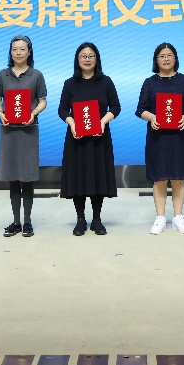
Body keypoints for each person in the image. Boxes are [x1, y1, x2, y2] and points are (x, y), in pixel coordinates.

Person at [135, 43, 184, 235]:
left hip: (179, 136)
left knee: (179, 176)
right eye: (162, 56)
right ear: (156, 60)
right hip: (157, 137)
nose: (166, 59)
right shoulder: (149, 82)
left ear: (175, 58)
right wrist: (152, 117)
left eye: (169, 55)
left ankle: (178, 217)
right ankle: (160, 218)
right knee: (159, 177)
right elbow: (140, 110)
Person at [58, 42, 121, 236]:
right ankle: (80, 219)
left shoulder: (106, 81)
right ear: (77, 59)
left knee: (97, 176)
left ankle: (96, 219)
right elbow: (62, 109)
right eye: (83, 56)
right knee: (78, 177)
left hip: (99, 137)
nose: (87, 59)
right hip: (76, 138)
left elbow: (116, 107)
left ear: (97, 59)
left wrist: (103, 121)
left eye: (91, 56)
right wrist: (72, 123)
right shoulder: (70, 83)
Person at [0, 35, 47, 238]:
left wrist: (34, 113)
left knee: (27, 176)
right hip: (8, 130)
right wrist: (0, 112)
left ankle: (27, 222)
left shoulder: (36, 75)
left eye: (22, 49)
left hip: (28, 131)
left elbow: (42, 101)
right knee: (12, 177)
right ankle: (16, 222)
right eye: (14, 49)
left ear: (29, 52)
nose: (18, 52)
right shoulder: (3, 75)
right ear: (10, 52)